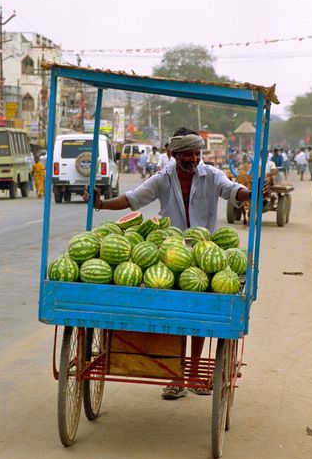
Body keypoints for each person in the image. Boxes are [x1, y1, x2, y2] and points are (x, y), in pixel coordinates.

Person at [85, 127, 258, 399]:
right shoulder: (162, 178)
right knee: (176, 316)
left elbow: (232, 190)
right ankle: (177, 376)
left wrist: (252, 193)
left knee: (200, 317)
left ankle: (194, 374)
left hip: (205, 253)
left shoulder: (211, 175)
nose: (193, 158)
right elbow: (133, 199)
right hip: (170, 252)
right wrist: (101, 204)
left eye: (196, 153)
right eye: (187, 154)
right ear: (173, 154)